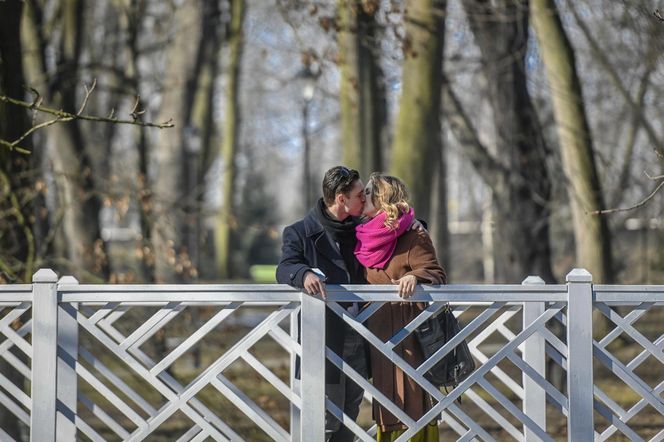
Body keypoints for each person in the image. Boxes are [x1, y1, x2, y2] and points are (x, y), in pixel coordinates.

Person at [276, 166, 369, 442]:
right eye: (360, 195)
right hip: (324, 339)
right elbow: (285, 267)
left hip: (361, 337)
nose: (365, 199)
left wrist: (416, 225)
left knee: (350, 420)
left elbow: (400, 228)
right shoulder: (299, 232)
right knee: (325, 422)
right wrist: (303, 274)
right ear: (341, 199)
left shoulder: (364, 228)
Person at [354, 173, 446, 442]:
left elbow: (436, 272)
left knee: (414, 400)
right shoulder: (360, 234)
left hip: (410, 332)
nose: (364, 196)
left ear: (384, 199)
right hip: (377, 331)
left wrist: (414, 276)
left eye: (370, 192)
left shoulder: (414, 233)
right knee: (385, 401)